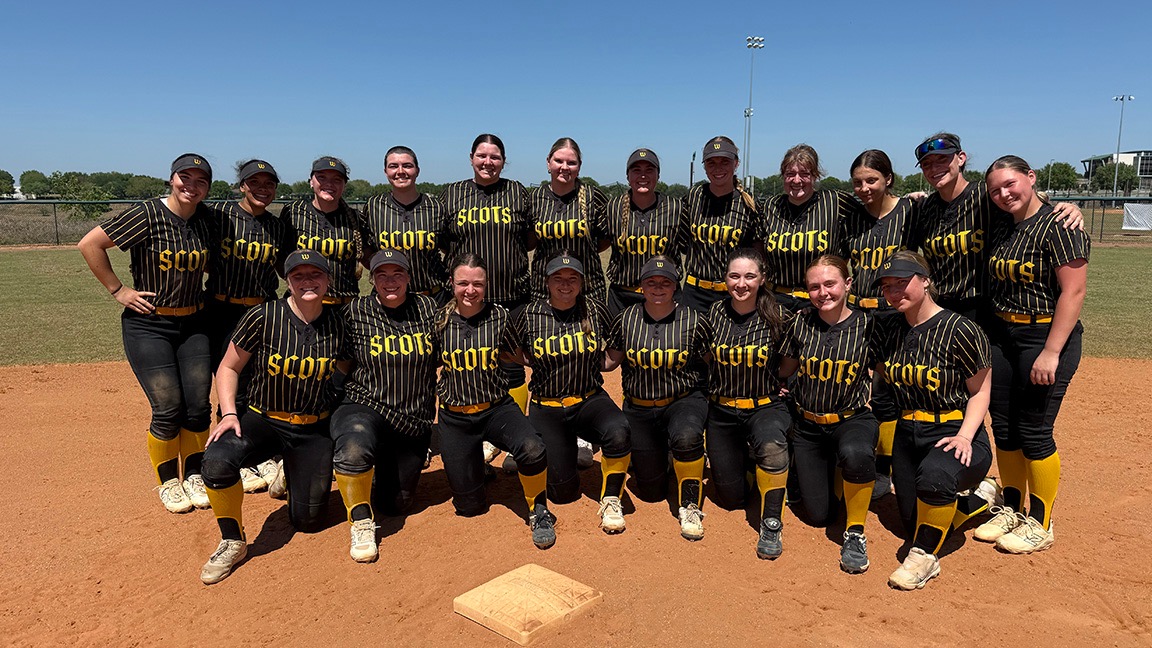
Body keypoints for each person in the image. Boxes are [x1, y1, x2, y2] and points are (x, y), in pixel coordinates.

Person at [198, 249, 348, 584]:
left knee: (309, 521)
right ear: (287, 281)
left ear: (327, 280)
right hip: (263, 419)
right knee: (218, 460)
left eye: (315, 275)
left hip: (312, 428)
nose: (307, 282)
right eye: (298, 276)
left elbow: (347, 368)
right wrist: (229, 412)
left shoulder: (339, 324)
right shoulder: (264, 316)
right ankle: (232, 540)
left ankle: (290, 469)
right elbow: (228, 366)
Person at [78, 153, 215, 514]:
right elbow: (90, 244)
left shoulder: (206, 220)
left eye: (201, 180)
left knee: (198, 406)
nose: (192, 185)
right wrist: (118, 290)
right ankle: (169, 481)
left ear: (207, 188)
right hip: (150, 324)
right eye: (185, 177)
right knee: (168, 406)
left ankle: (195, 474)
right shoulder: (148, 213)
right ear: (171, 179)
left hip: (194, 324)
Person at [975, 155, 1089, 554]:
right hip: (1003, 334)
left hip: (1043, 335)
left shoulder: (1060, 224)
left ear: (1031, 178)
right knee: (1004, 427)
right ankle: (1011, 508)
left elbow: (1073, 292)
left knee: (1035, 431)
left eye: (1010, 184)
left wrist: (1051, 352)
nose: (1004, 194)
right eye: (995, 190)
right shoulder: (1005, 225)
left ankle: (1040, 524)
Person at [873, 251, 998, 590]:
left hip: (954, 429)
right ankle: (982, 498)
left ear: (926, 280)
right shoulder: (890, 328)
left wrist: (965, 437)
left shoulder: (960, 329)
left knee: (934, 482)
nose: (894, 292)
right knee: (912, 523)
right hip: (908, 432)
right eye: (887, 286)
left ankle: (923, 559)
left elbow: (980, 391)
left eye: (903, 282)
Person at [503, 253, 632, 533]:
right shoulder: (528, 313)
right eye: (558, 279)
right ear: (547, 282)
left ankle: (611, 498)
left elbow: (617, 341)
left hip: (588, 400)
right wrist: (530, 359)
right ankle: (564, 451)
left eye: (572, 278)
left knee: (619, 429)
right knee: (563, 494)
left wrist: (605, 364)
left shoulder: (595, 309)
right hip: (547, 407)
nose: (565, 284)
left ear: (582, 283)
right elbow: (508, 347)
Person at [435, 253, 556, 549]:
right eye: (463, 283)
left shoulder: (499, 315)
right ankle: (475, 464)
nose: (470, 290)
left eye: (478, 283)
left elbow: (517, 355)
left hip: (496, 409)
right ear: (452, 284)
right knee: (469, 506)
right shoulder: (438, 320)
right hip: (455, 417)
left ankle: (538, 509)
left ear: (487, 286)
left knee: (531, 447)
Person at [330, 249, 440, 563]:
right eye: (382, 275)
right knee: (355, 441)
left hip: (411, 421)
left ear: (408, 277)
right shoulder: (355, 311)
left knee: (398, 504)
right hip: (366, 406)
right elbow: (340, 362)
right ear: (372, 279)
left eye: (397, 274)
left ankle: (371, 469)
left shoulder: (428, 309)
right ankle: (361, 519)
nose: (390, 281)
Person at [908, 133, 1083, 323]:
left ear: (961, 158)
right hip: (939, 306)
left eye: (942, 159)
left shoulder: (988, 195)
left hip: (984, 308)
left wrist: (1071, 208)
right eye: (927, 164)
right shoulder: (924, 208)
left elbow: (1029, 206)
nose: (935, 168)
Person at [777, 255, 877, 573]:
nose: (823, 293)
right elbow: (786, 368)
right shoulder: (801, 322)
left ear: (848, 284)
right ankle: (817, 474)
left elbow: (887, 372)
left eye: (830, 284)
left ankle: (856, 532)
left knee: (856, 452)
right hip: (809, 425)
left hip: (852, 420)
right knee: (818, 515)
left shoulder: (868, 324)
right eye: (815, 287)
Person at [204, 159, 293, 495]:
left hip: (262, 310)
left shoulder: (276, 225)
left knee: (262, 381)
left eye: (268, 184)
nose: (262, 189)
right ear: (241, 185)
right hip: (223, 308)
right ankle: (231, 453)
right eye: (254, 183)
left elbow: (287, 266)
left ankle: (260, 451)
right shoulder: (219, 216)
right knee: (230, 380)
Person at [605, 256, 710, 540]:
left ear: (676, 286)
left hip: (682, 401)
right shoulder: (626, 318)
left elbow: (710, 361)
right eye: (651, 282)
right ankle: (666, 455)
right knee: (650, 492)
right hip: (639, 408)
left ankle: (689, 504)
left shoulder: (694, 320)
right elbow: (609, 362)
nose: (658, 287)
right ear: (641, 286)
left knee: (687, 436)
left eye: (666, 282)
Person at [703, 248, 792, 559]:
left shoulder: (778, 315)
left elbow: (792, 358)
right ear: (725, 279)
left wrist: (783, 383)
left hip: (764, 405)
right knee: (731, 499)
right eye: (734, 276)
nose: (741, 283)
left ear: (762, 279)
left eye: (749, 276)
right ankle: (754, 467)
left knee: (771, 445)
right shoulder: (713, 314)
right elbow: (703, 358)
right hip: (723, 409)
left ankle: (771, 521)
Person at [440, 134, 535, 413]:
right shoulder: (453, 194)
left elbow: (530, 238)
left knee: (512, 365)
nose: (488, 162)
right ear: (471, 158)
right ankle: (478, 427)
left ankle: (511, 432)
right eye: (482, 155)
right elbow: (444, 240)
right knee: (471, 365)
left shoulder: (517, 192)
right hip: (467, 301)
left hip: (511, 296)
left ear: (503, 162)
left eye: (495, 157)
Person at [844, 149, 916, 498]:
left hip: (893, 313)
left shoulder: (910, 211)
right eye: (858, 181)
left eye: (871, 180)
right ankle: (858, 457)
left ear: (888, 178)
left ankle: (884, 469)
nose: (864, 187)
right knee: (858, 385)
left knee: (888, 390)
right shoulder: (851, 214)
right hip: (858, 312)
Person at [761, 144, 871, 314]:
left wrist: (906, 202)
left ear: (815, 176)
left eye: (804, 174)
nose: (796, 180)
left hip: (821, 301)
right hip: (776, 300)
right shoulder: (770, 206)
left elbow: (874, 212)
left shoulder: (835, 202)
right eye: (790, 174)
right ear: (783, 176)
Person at [603, 148, 690, 318]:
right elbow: (599, 242)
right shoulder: (613, 208)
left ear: (658, 175)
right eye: (636, 170)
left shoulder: (676, 208)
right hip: (622, 296)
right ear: (628, 176)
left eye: (649, 170)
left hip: (664, 295)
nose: (643, 175)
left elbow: (688, 246)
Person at [680, 136, 762, 314]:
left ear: (736, 163)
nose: (718, 168)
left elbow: (757, 253)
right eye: (711, 163)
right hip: (695, 292)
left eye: (725, 162)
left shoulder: (748, 204)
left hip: (733, 293)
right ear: (704, 166)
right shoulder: (694, 196)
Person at [528, 137, 611, 303]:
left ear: (579, 166)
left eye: (571, 163)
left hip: (588, 290)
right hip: (543, 290)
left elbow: (605, 240)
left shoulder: (593, 197)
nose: (564, 167)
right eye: (558, 161)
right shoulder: (534, 198)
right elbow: (529, 241)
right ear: (548, 162)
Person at [361, 146, 448, 300]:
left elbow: (449, 248)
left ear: (417, 170)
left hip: (432, 296)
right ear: (385, 171)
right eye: (393, 166)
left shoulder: (436, 207)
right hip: (387, 296)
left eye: (407, 165)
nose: (400, 171)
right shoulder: (373, 206)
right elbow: (364, 247)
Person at [281, 156, 367, 306]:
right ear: (311, 182)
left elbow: (367, 254)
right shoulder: (293, 212)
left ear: (344, 185)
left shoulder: (355, 218)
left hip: (344, 304)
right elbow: (280, 255)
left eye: (336, 179)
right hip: (302, 304)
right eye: (322, 177)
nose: (329, 184)